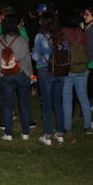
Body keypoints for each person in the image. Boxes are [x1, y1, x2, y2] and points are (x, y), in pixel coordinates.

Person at [0, 11, 33, 141]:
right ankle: (25, 133)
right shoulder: (22, 40)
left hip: (5, 75)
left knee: (7, 105)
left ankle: (8, 133)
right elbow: (27, 59)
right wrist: (32, 76)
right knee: (24, 104)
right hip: (22, 74)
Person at [32, 17, 66, 145]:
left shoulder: (40, 36)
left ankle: (47, 136)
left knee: (46, 104)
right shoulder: (61, 35)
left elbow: (36, 56)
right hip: (59, 70)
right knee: (58, 103)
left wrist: (32, 54)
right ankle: (60, 133)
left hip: (45, 71)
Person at [61, 17, 93, 135]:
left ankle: (67, 127)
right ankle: (88, 126)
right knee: (84, 97)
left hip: (68, 69)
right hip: (82, 67)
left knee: (67, 98)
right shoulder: (82, 33)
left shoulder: (62, 32)